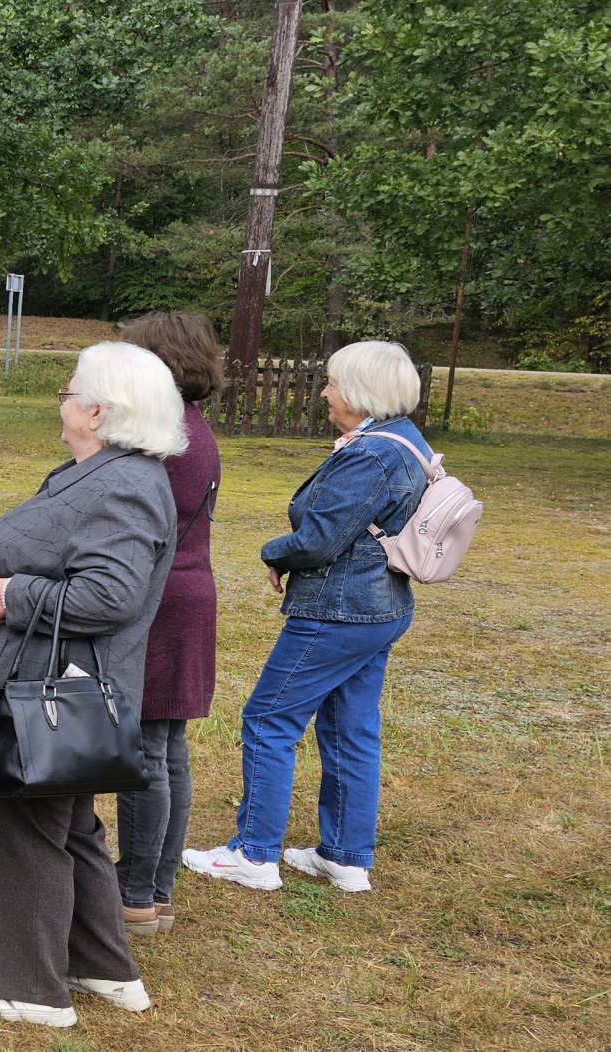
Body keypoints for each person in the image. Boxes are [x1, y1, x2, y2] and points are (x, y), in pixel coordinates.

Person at [0, 341, 186, 1028]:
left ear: (97, 410)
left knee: (21, 827)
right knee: (70, 828)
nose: (60, 403)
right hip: (63, 691)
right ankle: (103, 967)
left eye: (68, 391)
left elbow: (112, 593)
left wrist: (17, 593)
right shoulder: (107, 472)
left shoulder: (124, 483)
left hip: (42, 695)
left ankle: (26, 986)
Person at [183, 340, 431, 896]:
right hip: (379, 607)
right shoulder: (405, 441)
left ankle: (254, 853)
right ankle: (344, 856)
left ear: (363, 393)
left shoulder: (371, 454)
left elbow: (320, 539)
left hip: (338, 610)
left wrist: (273, 551)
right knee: (350, 727)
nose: (323, 392)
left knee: (269, 719)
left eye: (332, 383)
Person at [108, 314, 224, 936]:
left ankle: (138, 893)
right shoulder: (191, 427)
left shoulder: (167, 432)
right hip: (187, 592)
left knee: (149, 753)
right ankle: (155, 889)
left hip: (162, 599)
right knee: (166, 749)